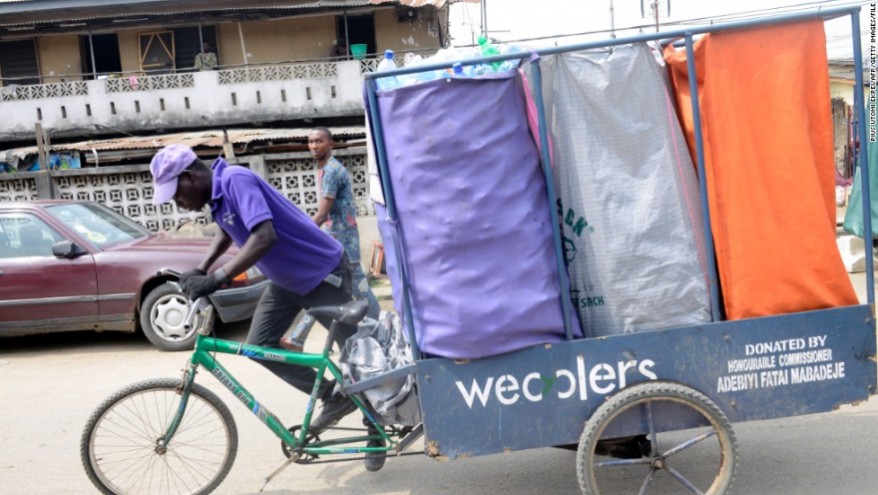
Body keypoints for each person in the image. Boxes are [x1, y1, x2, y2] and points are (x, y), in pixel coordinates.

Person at [149, 144, 358, 434]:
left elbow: (263, 236)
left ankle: (375, 426)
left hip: (321, 273)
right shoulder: (218, 198)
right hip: (287, 281)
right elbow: (228, 228)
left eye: (176, 194)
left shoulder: (235, 179)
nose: (179, 203)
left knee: (357, 356)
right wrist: (202, 268)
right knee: (259, 346)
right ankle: (333, 397)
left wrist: (216, 278)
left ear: (189, 177)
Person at [281, 127, 381, 353]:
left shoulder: (332, 172)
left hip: (342, 242)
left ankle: (378, 332)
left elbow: (323, 214)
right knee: (342, 287)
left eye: (319, 141)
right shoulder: (326, 169)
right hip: (336, 239)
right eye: (311, 142)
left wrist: (300, 233)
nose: (314, 146)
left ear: (331, 144)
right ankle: (301, 337)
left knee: (352, 286)